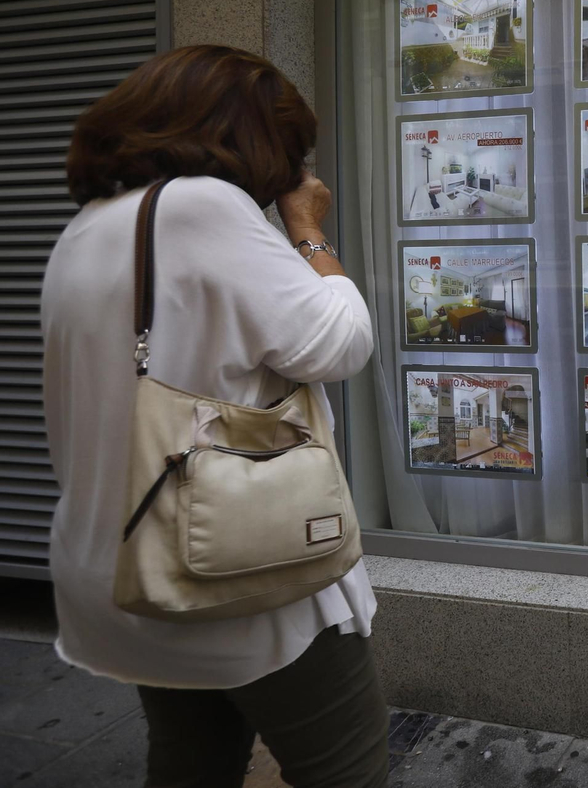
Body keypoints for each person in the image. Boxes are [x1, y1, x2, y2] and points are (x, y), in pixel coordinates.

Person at [41, 45, 388, 788]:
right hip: (239, 572)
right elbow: (341, 340)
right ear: (254, 138)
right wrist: (308, 228)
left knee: (190, 759)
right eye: (291, 149)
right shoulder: (201, 207)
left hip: (130, 565)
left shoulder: (96, 223)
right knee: (347, 767)